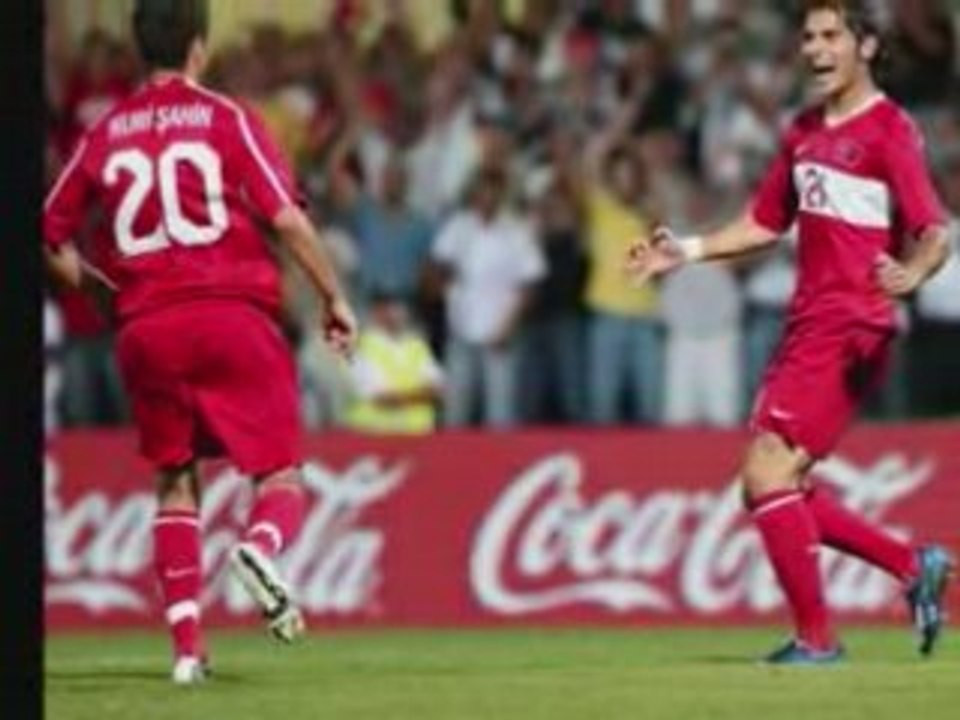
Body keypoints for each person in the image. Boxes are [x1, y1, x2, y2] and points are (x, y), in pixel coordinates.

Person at [627, 0, 954, 664]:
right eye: (809, 37)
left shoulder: (890, 129)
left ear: (866, 46)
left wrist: (914, 272)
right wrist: (685, 250)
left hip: (852, 322)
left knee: (766, 473)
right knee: (774, 484)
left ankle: (817, 640)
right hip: (809, 321)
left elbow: (934, 229)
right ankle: (911, 564)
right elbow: (764, 223)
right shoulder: (802, 130)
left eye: (832, 36)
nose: (816, 49)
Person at [43, 0, 358, 685]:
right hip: (229, 314)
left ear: (140, 50)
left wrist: (101, 293)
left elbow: (47, 231)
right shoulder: (227, 118)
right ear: (198, 48)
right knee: (278, 475)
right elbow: (286, 220)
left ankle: (187, 652)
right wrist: (333, 296)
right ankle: (260, 548)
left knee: (175, 480)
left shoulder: (106, 131)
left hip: (147, 329)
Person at [343, 292, 444, 434]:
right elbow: (381, 398)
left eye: (400, 307)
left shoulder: (417, 345)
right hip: (374, 436)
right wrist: (422, 395)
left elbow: (438, 391)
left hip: (418, 436)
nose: (397, 312)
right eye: (389, 307)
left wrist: (405, 397)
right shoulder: (364, 347)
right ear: (376, 313)